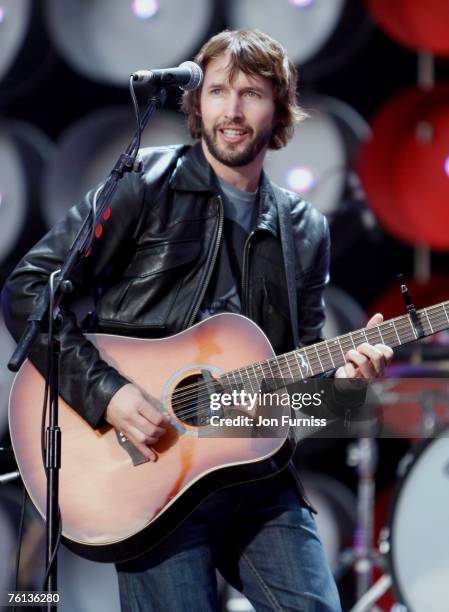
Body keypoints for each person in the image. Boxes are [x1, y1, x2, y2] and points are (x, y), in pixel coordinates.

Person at [3, 29, 393, 612]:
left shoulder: (306, 229)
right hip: (152, 473)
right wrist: (106, 394)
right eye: (217, 92)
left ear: (279, 108)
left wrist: (342, 394)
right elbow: (30, 289)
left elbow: (296, 391)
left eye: (251, 94)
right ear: (197, 103)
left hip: (255, 477)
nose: (232, 111)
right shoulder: (144, 185)